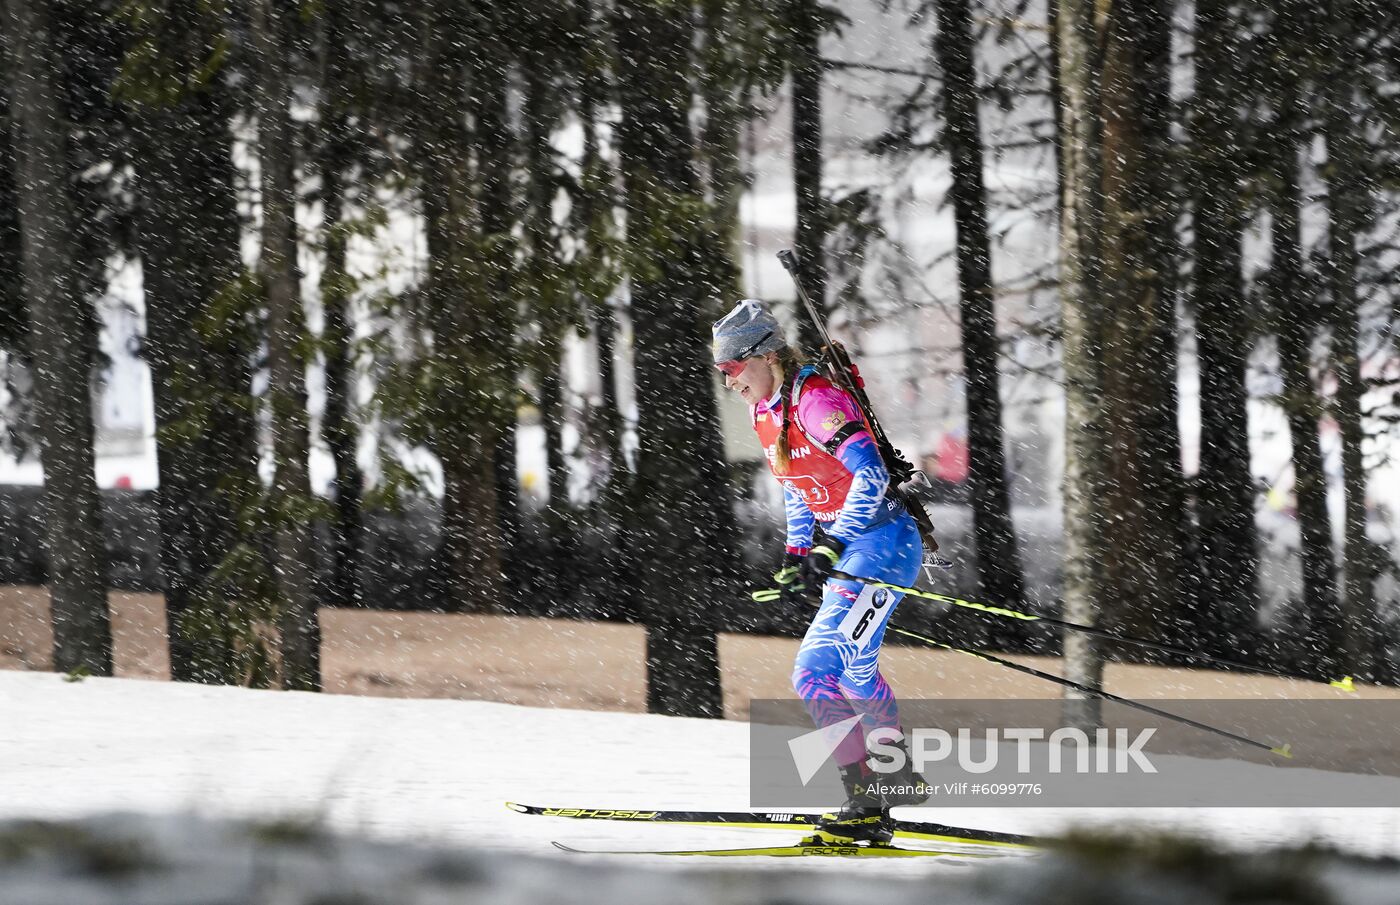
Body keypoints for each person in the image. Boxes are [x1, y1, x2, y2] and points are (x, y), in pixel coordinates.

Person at [712, 299, 930, 846]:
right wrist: (796, 554)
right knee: (853, 672)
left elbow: (871, 476)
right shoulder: (764, 411)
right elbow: (798, 485)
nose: (729, 381)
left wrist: (831, 546)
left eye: (733, 368)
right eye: (721, 374)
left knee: (812, 673)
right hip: (853, 551)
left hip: (881, 545)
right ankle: (895, 775)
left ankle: (863, 796)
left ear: (764, 355)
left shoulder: (815, 400)